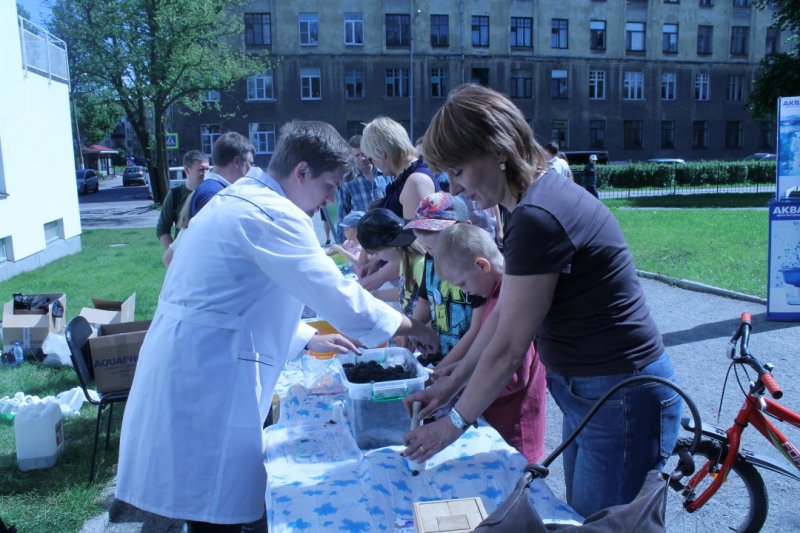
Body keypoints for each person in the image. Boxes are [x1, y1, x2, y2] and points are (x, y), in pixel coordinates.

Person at [115, 121, 437, 531]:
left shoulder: (239, 198)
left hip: (196, 359)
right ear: (301, 172)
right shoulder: (273, 213)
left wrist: (307, 337)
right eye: (329, 185)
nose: (331, 198)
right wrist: (412, 327)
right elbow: (336, 293)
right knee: (215, 507)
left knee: (208, 503)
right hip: (206, 374)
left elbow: (239, 294)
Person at [402, 84, 681, 518]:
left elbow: (510, 346)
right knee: (587, 518)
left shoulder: (537, 215)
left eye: (458, 170)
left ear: (496, 149)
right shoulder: (529, 204)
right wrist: (451, 381)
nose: (455, 187)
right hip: (597, 392)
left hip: (618, 392)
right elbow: (499, 318)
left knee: (605, 526)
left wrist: (453, 424)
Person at [432, 222, 546, 463]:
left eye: (462, 284)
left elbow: (515, 377)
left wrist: (462, 387)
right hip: (493, 425)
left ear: (481, 265)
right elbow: (486, 351)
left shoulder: (512, 300)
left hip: (516, 434)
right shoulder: (494, 295)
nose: (465, 292)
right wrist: (456, 372)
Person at [404, 192, 483, 365]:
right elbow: (425, 300)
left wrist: (446, 369)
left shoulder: (479, 269)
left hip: (471, 364)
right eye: (428, 249)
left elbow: (478, 329)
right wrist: (415, 330)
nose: (434, 255)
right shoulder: (431, 259)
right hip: (444, 356)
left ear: (467, 229)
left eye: (439, 248)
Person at [360, 117, 438, 221]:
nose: (373, 164)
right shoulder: (409, 179)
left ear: (381, 155)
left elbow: (416, 235)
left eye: (371, 159)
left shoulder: (415, 181)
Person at [357, 208, 426, 318]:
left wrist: (408, 333)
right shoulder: (406, 259)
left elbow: (420, 301)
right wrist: (375, 295)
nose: (378, 257)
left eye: (377, 253)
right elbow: (408, 291)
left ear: (391, 246)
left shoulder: (420, 264)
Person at [335, 135, 390, 241]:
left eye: (364, 153)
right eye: (357, 155)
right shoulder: (348, 180)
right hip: (362, 236)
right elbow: (342, 211)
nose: (362, 158)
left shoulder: (385, 173)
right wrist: (340, 242)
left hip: (386, 232)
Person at [188, 132, 255, 217]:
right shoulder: (214, 195)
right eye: (250, 163)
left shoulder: (211, 189)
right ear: (237, 161)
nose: (251, 169)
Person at [156, 150, 209, 250]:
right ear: (187, 170)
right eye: (201, 170)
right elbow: (162, 229)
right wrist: (174, 257)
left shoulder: (213, 193)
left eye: (208, 169)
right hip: (184, 254)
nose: (206, 173)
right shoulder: (175, 195)